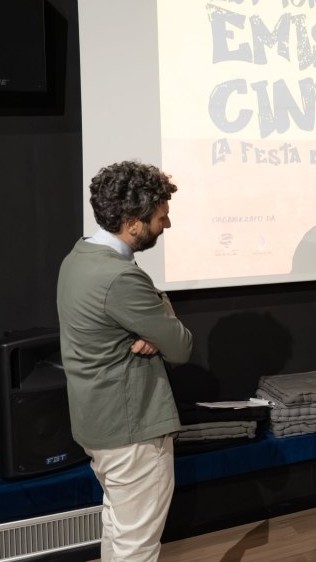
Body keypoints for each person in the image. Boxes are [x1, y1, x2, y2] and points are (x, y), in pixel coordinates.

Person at [57, 161, 193, 562]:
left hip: (98, 422)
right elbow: (181, 346)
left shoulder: (78, 257)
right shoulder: (120, 278)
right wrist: (160, 314)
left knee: (118, 529)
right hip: (132, 429)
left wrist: (152, 332)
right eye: (161, 218)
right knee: (137, 546)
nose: (166, 225)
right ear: (133, 223)